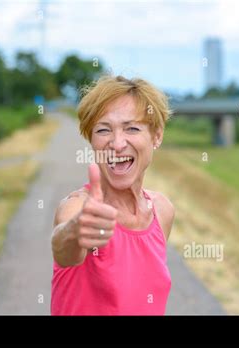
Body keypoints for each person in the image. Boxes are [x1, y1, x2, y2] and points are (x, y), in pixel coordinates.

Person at [51, 75, 175, 315]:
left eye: (132, 128)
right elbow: (63, 249)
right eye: (103, 130)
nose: (117, 144)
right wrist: (75, 231)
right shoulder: (78, 208)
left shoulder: (163, 211)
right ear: (91, 140)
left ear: (156, 136)